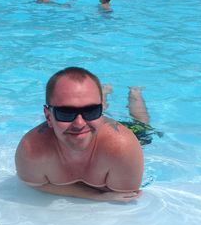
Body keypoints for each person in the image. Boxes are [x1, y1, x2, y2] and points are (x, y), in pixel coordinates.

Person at [15, 67, 144, 202]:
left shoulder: (122, 147)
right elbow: (35, 184)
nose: (79, 123)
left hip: (118, 132)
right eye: (66, 113)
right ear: (48, 117)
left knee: (141, 125)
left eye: (92, 110)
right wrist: (96, 196)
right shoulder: (31, 150)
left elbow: (127, 195)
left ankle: (135, 92)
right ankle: (101, 95)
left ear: (101, 112)